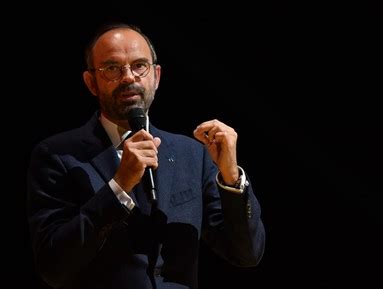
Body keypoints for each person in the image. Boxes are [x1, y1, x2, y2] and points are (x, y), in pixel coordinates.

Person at [26, 22, 265, 289]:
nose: (128, 77)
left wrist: (231, 179)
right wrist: (119, 187)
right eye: (112, 68)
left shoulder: (192, 154)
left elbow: (246, 254)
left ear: (156, 76)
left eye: (140, 65)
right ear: (91, 82)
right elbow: (53, 266)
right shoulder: (58, 155)